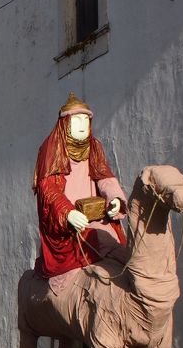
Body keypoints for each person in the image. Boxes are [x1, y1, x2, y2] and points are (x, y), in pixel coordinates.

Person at [32, 92, 127, 283]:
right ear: (66, 123)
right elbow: (48, 188)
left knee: (119, 246)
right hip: (67, 223)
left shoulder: (94, 146)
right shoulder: (51, 149)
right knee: (95, 240)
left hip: (97, 217)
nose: (82, 125)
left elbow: (104, 176)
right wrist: (68, 213)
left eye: (86, 120)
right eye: (77, 121)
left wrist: (115, 198)